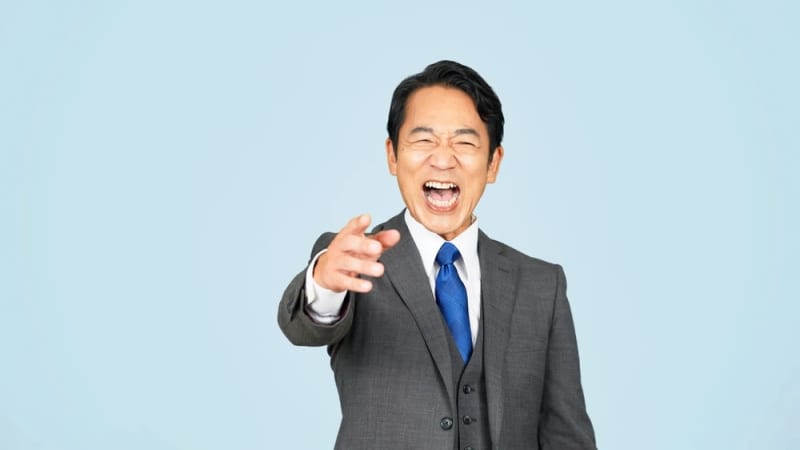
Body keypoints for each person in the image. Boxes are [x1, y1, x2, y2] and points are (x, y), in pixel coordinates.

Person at [278, 60, 596, 450]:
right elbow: (304, 325)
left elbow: (567, 434)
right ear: (392, 155)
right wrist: (323, 283)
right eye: (423, 140)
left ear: (493, 162)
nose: (443, 159)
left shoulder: (541, 285)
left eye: (465, 142)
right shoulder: (353, 263)